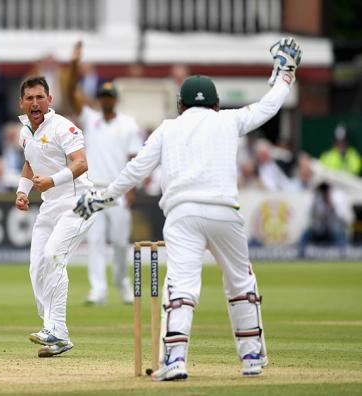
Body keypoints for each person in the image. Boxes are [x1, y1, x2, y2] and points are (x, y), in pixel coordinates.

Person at [74, 37, 302, 380]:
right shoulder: (229, 119)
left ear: (180, 105)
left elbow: (135, 170)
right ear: (216, 103)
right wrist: (284, 75)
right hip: (226, 212)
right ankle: (252, 357)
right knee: (241, 281)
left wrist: (102, 198)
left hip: (183, 215)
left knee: (181, 284)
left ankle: (176, 360)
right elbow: (268, 106)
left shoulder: (168, 128)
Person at [15, 76, 95, 358]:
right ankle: (53, 330)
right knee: (36, 267)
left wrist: (52, 180)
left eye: (40, 97)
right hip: (50, 205)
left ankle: (57, 331)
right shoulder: (24, 130)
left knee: (53, 257)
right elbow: (28, 163)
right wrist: (22, 192)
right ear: (21, 103)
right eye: (30, 98)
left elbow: (81, 162)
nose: (35, 103)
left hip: (78, 201)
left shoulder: (63, 126)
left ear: (49, 100)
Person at [66, 41, 143, 305]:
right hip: (93, 188)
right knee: (95, 240)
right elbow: (70, 92)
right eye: (104, 97)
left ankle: (121, 282)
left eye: (111, 97)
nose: (107, 100)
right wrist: (74, 64)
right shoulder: (91, 118)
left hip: (119, 188)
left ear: (116, 100)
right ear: (100, 100)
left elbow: (134, 159)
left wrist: (131, 189)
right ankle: (97, 289)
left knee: (121, 243)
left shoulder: (128, 124)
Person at [298, 182, 351, 258]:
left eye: (325, 191)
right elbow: (309, 214)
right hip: (318, 228)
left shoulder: (336, 198)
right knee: (306, 232)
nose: (323, 193)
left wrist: (330, 202)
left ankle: (343, 253)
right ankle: (301, 252)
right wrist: (315, 200)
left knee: (339, 232)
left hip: (331, 228)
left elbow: (340, 216)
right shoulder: (315, 200)